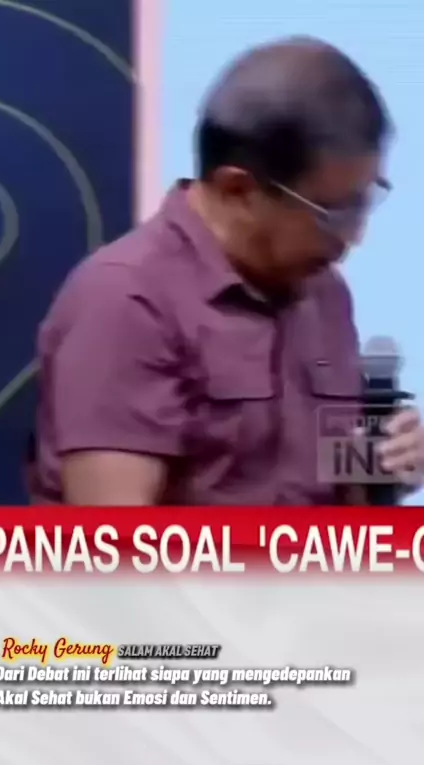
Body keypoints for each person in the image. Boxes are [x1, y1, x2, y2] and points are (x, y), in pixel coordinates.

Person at [32, 37, 424, 506]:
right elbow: (113, 538)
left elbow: (327, 487)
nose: (354, 236)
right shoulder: (126, 300)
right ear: (238, 190)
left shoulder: (323, 293)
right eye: (332, 213)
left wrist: (382, 465)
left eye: (364, 202)